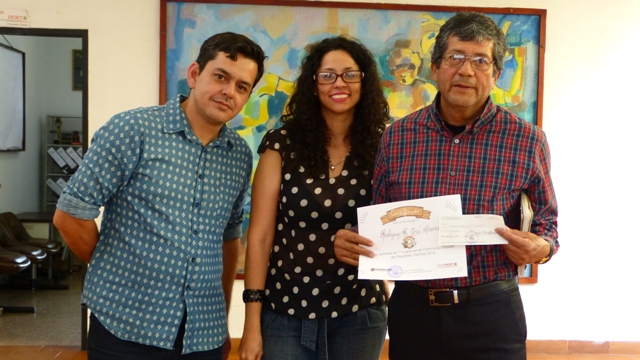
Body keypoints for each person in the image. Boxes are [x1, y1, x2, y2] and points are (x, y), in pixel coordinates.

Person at [334, 12, 559, 360]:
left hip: (493, 312)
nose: (466, 71)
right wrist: (355, 239)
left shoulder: (527, 140)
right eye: (455, 58)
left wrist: (540, 248)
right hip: (414, 312)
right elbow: (378, 219)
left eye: (480, 60)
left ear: (496, 74)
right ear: (436, 68)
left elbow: (548, 223)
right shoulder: (397, 137)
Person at [53, 32, 267, 360]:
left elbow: (228, 238)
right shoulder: (133, 130)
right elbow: (70, 214)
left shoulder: (238, 154)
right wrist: (115, 273)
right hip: (126, 325)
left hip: (202, 332)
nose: (228, 92)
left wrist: (221, 318)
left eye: (242, 87)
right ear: (195, 74)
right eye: (220, 76)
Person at [238, 35, 390, 360]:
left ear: (364, 80)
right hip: (284, 313)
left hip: (359, 312)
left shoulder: (382, 146)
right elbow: (261, 236)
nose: (340, 83)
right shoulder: (281, 144)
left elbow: (394, 226)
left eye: (350, 74)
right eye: (327, 75)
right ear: (313, 83)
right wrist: (252, 322)